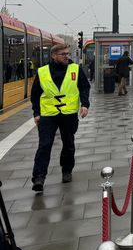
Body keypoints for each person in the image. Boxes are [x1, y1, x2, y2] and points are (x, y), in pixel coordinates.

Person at [30, 43, 90, 192]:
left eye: (67, 54)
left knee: (68, 143)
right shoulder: (42, 72)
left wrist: (85, 104)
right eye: (63, 54)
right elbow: (35, 94)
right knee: (45, 145)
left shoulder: (75, 69)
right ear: (53, 56)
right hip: (48, 115)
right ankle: (39, 177)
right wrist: (36, 113)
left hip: (69, 114)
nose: (66, 56)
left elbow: (84, 87)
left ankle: (67, 170)